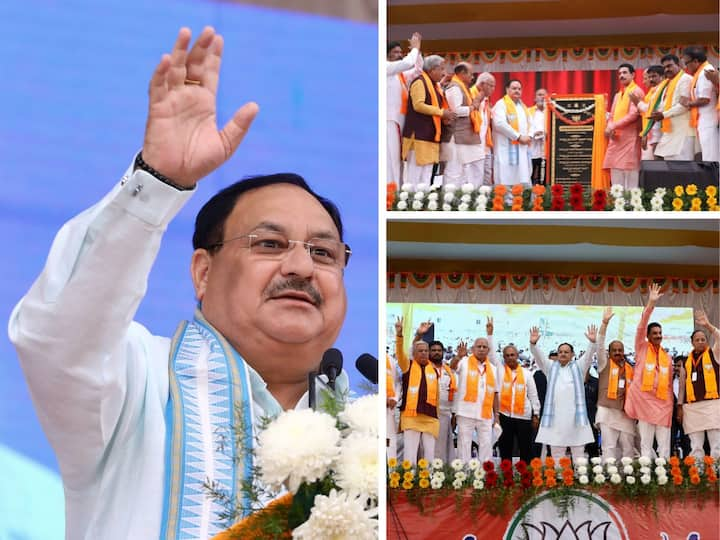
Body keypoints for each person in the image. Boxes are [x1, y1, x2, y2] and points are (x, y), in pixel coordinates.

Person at [8, 27, 355, 539]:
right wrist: (158, 181)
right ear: (203, 271)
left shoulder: (368, 430)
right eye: (269, 244)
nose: (302, 268)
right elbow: (57, 334)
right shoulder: (135, 383)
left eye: (323, 252)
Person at [529, 325, 598, 462]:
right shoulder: (550, 368)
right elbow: (539, 357)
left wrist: (592, 342)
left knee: (578, 451)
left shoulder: (579, 367)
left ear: (572, 355)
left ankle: (580, 479)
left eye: (566, 352)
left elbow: (589, 356)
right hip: (556, 419)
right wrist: (533, 344)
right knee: (557, 452)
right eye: (560, 352)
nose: (563, 354)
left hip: (576, 419)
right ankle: (560, 479)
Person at [624, 283, 674, 458]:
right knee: (645, 444)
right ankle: (647, 478)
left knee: (664, 446)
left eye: (660, 333)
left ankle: (665, 477)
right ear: (648, 335)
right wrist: (651, 303)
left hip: (663, 405)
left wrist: (670, 404)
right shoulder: (641, 347)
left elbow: (668, 384)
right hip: (645, 403)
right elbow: (641, 325)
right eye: (655, 333)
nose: (658, 336)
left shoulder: (667, 357)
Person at [450, 318, 499, 463]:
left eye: (485, 347)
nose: (482, 349)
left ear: (488, 350)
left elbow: (495, 393)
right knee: (464, 444)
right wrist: (458, 356)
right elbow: (452, 367)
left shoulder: (494, 369)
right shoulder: (464, 362)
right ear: (473, 349)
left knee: (486, 445)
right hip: (466, 412)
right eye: (479, 346)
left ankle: (485, 475)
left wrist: (496, 415)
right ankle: (463, 475)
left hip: (485, 414)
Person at [402, 55, 456, 187]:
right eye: (441, 69)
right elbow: (418, 105)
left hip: (430, 136)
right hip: (418, 137)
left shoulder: (435, 86)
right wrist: (441, 112)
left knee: (426, 177)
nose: (444, 73)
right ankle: (410, 206)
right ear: (432, 69)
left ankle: (422, 205)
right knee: (414, 178)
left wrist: (445, 117)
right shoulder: (419, 82)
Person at [394, 317, 440, 464]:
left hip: (430, 416)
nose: (424, 353)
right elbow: (401, 352)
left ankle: (430, 481)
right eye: (420, 351)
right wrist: (400, 335)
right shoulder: (407, 365)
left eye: (426, 351)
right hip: (411, 415)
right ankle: (410, 482)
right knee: (410, 455)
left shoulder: (434, 369)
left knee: (429, 455)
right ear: (414, 352)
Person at [677, 310, 720, 459]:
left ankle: (716, 475)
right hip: (692, 408)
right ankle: (699, 475)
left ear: (707, 342)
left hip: (712, 405)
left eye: (703, 339)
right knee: (695, 446)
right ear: (692, 342)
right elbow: (682, 387)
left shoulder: (714, 354)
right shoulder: (686, 362)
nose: (700, 342)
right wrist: (680, 406)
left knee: (716, 444)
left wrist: (708, 325)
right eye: (697, 340)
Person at [596, 308, 637, 460]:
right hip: (607, 411)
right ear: (609, 352)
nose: (618, 353)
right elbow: (599, 345)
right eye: (615, 350)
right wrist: (605, 323)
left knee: (627, 448)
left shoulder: (630, 369)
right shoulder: (603, 364)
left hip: (626, 413)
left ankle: (627, 478)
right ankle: (608, 477)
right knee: (609, 447)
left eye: (621, 350)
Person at [440, 62, 486, 186]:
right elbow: (456, 110)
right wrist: (472, 107)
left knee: (463, 170)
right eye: (471, 74)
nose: (472, 77)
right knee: (453, 171)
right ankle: (448, 202)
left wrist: (476, 101)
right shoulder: (454, 87)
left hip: (463, 135)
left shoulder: (462, 87)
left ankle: (460, 200)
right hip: (455, 136)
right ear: (461, 73)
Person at [493, 344, 540, 464]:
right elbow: (491, 354)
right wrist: (490, 334)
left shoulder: (526, 374)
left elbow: (533, 395)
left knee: (525, 449)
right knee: (505, 448)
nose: (510, 358)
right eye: (507, 355)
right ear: (503, 357)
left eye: (512, 355)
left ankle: (525, 476)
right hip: (504, 415)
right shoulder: (499, 371)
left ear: (517, 355)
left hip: (523, 416)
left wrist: (536, 414)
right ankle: (507, 476)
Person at [387, 33, 423, 186]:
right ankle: (389, 194)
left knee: (398, 159)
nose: (399, 55)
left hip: (399, 122)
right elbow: (408, 63)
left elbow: (417, 69)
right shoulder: (385, 67)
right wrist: (414, 49)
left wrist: (417, 51)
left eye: (400, 52)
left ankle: (396, 191)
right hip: (388, 121)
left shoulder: (398, 74)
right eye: (395, 52)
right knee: (390, 160)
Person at [602, 64, 645, 189]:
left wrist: (612, 126)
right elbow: (612, 115)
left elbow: (633, 115)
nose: (621, 76)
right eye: (620, 73)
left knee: (630, 172)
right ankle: (618, 203)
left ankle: (631, 205)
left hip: (630, 138)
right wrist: (610, 126)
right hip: (616, 139)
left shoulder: (636, 91)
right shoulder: (617, 95)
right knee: (615, 171)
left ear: (633, 75)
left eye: (625, 73)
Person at [651, 54, 694, 161]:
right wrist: (656, 113)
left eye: (669, 66)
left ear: (679, 65)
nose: (667, 69)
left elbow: (684, 106)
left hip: (683, 131)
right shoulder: (666, 84)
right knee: (670, 168)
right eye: (665, 67)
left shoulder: (685, 79)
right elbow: (663, 105)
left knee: (683, 167)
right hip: (669, 131)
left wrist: (663, 114)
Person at [680, 46, 719, 162]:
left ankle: (714, 180)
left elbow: (704, 99)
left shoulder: (706, 72)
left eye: (687, 63)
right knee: (708, 156)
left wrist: (688, 103)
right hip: (704, 120)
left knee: (711, 157)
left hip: (709, 120)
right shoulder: (700, 72)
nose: (686, 67)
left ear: (696, 61)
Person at [492, 79, 532, 189]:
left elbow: (530, 122)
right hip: (506, 149)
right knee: (506, 179)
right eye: (514, 88)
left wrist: (530, 136)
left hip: (522, 148)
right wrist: (518, 137)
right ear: (507, 89)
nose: (517, 91)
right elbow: (499, 124)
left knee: (521, 178)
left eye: (519, 89)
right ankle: (506, 203)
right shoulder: (501, 104)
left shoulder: (522, 106)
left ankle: (518, 202)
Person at [632, 65, 665, 160]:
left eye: (653, 76)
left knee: (658, 165)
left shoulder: (661, 90)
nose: (650, 80)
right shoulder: (653, 91)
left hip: (659, 133)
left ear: (662, 76)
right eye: (649, 77)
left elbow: (652, 111)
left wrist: (638, 103)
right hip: (653, 133)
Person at [471, 72, 496, 185]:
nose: (493, 89)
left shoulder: (486, 100)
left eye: (494, 86)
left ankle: (485, 200)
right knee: (475, 175)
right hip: (474, 142)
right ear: (481, 84)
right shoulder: (471, 95)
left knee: (487, 174)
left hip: (485, 144)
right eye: (491, 85)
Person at [528, 88, 548, 185]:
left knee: (544, 178)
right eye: (539, 95)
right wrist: (533, 134)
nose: (542, 97)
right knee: (530, 176)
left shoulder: (551, 112)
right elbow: (524, 129)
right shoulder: (528, 112)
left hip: (546, 151)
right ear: (535, 98)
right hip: (532, 150)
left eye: (544, 95)